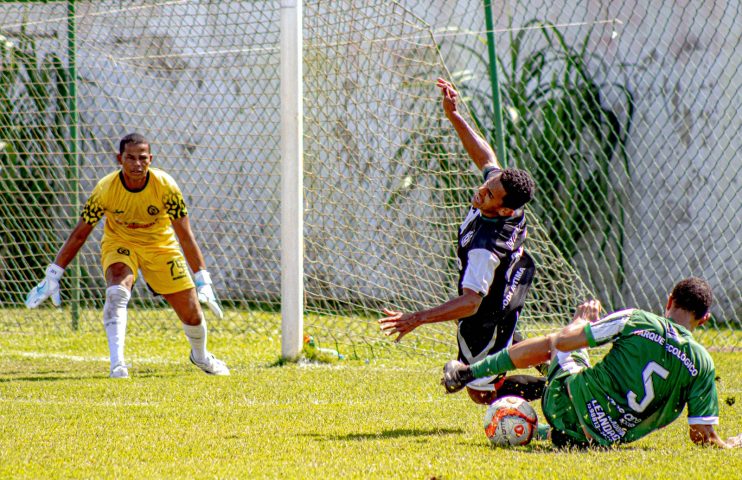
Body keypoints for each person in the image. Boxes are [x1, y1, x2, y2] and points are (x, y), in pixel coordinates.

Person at [380, 78, 544, 404]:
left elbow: (471, 303)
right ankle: (536, 355)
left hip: (488, 307)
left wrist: (417, 318)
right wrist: (454, 115)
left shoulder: (486, 247)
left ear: (505, 208)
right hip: (510, 277)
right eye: (487, 184)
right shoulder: (500, 197)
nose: (481, 192)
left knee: (479, 393)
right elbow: (486, 157)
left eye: (490, 195)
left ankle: (555, 390)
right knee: (501, 342)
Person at [442, 277, 742, 448]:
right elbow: (702, 435)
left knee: (553, 344)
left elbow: (564, 343)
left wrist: (581, 319)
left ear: (669, 300)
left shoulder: (635, 320)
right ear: (703, 320)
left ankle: (468, 372)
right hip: (602, 439)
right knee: (574, 366)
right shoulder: (702, 363)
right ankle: (547, 420)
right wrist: (733, 443)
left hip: (563, 403)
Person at [25, 133, 229, 378]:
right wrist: (53, 274)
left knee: (192, 313)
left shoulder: (166, 186)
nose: (137, 164)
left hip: (160, 245)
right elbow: (80, 234)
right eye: (130, 158)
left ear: (150, 159)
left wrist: (202, 279)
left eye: (143, 158)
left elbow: (185, 235)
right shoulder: (105, 189)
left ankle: (201, 356)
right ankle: (118, 365)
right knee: (117, 289)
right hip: (120, 242)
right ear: (119, 159)